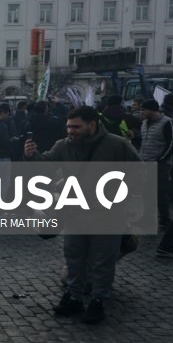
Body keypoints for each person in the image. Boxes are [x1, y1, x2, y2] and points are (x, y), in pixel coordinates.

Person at [24, 105, 141, 324]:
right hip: (76, 212)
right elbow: (46, 164)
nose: (71, 131)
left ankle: (99, 301)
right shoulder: (64, 145)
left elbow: (139, 173)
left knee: (102, 260)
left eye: (76, 127)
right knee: (74, 257)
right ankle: (74, 297)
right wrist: (31, 156)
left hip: (107, 215)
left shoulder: (117, 145)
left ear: (92, 124)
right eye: (68, 127)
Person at [139, 99, 173, 230]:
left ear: (152, 110)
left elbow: (172, 143)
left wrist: (161, 159)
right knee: (146, 192)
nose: (141, 112)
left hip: (161, 164)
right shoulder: (143, 123)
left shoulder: (167, 122)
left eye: (144, 109)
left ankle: (165, 219)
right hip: (145, 162)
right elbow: (144, 141)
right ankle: (147, 218)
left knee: (160, 192)